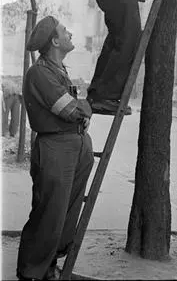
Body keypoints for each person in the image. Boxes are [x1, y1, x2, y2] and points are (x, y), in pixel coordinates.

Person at [16, 16, 94, 281]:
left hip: (76, 145)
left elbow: (76, 107)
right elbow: (71, 109)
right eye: (64, 30)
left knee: (67, 214)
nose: (70, 32)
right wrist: (85, 106)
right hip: (56, 148)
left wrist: (82, 106)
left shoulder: (59, 70)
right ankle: (31, 272)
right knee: (49, 214)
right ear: (54, 40)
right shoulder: (39, 73)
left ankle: (49, 266)